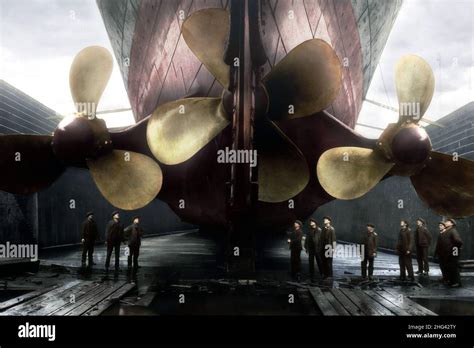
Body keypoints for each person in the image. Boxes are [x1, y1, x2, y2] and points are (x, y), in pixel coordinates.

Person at [443, 219, 463, 287]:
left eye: (447, 222)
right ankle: (452, 281)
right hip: (448, 252)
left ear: (452, 224)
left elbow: (458, 241)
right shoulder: (448, 231)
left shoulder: (453, 231)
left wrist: (455, 249)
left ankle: (457, 282)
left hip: (453, 252)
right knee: (450, 267)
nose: (445, 223)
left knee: (454, 267)